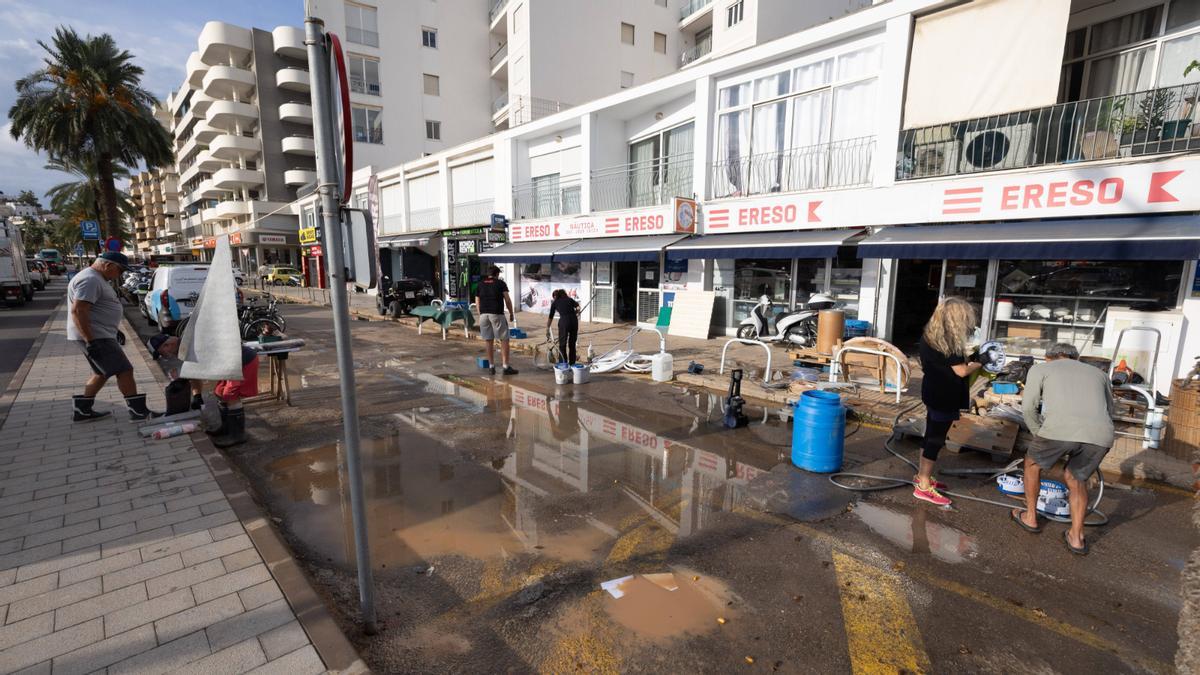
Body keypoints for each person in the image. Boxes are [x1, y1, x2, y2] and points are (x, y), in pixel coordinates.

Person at [1013, 343, 1113, 555]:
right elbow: (1110, 410)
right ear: (1075, 358)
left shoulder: (1040, 369)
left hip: (1057, 430)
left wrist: (1038, 432)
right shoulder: (1099, 373)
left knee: (1032, 464)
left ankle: (1030, 517)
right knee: (1076, 480)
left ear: (1049, 357)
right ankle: (1076, 538)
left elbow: (1028, 407)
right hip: (1100, 435)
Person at [68, 251, 162, 422]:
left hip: (100, 333)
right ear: (108, 265)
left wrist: (114, 329)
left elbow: (95, 309)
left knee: (101, 372)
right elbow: (79, 310)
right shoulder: (90, 280)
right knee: (124, 370)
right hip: (96, 336)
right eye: (120, 270)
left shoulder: (95, 278)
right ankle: (138, 412)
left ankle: (82, 410)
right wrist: (91, 341)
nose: (120, 275)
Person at [915, 297, 983, 506]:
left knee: (930, 435)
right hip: (945, 394)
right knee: (936, 439)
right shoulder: (949, 343)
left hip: (932, 391)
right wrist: (979, 362)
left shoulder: (930, 336)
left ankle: (921, 476)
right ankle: (924, 486)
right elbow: (961, 370)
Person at [148, 334, 259, 448]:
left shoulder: (189, 346)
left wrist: (185, 378)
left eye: (162, 353)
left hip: (243, 361)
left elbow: (198, 371)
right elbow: (194, 372)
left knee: (230, 395)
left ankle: (238, 435)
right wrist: (197, 396)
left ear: (167, 345)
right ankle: (226, 428)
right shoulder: (183, 347)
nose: (165, 357)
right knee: (219, 392)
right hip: (230, 363)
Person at [475, 265, 518, 376]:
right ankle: (505, 366)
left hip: (484, 315)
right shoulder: (500, 284)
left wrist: (481, 314)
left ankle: (491, 367)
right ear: (497, 274)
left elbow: (477, 301)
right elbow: (507, 300)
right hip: (497, 314)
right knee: (504, 339)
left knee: (488, 340)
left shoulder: (480, 284)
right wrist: (511, 313)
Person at [547, 289, 581, 365]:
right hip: (574, 321)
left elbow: (550, 316)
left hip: (564, 322)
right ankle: (572, 363)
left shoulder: (555, 302)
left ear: (556, 296)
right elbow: (578, 307)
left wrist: (547, 328)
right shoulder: (569, 299)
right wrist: (575, 312)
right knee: (572, 344)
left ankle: (563, 364)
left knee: (562, 344)